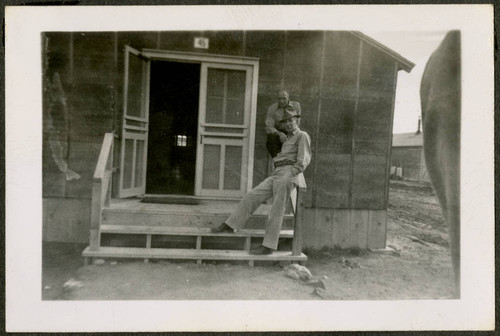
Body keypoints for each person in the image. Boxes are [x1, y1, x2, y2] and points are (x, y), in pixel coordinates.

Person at [211, 106, 311, 255]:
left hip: (287, 175)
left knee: (276, 210)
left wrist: (290, 174)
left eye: (292, 120)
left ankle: (269, 246)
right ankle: (231, 224)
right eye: (286, 122)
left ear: (297, 121)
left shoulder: (302, 135)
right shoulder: (287, 138)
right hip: (277, 173)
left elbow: (303, 160)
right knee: (252, 195)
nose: (289, 124)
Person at [265, 90, 301, 157]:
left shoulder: (296, 106)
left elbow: (297, 123)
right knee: (271, 140)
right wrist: (280, 134)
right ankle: (278, 161)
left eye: (284, 98)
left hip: (291, 133)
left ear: (288, 98)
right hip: (278, 134)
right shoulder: (272, 108)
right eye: (279, 99)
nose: (281, 101)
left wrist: (291, 136)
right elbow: (269, 126)